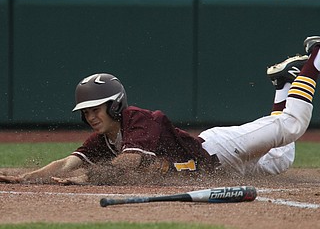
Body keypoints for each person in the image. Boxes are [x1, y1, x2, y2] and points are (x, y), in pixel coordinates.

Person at [1, 36, 320, 185]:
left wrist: (86, 177)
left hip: (220, 151)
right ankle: (284, 82)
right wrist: (28, 178)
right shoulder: (106, 138)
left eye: (95, 109)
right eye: (85, 112)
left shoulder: (137, 120)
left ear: (114, 105)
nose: (90, 117)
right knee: (281, 158)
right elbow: (67, 162)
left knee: (292, 126)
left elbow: (128, 164)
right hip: (214, 170)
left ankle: (315, 57)